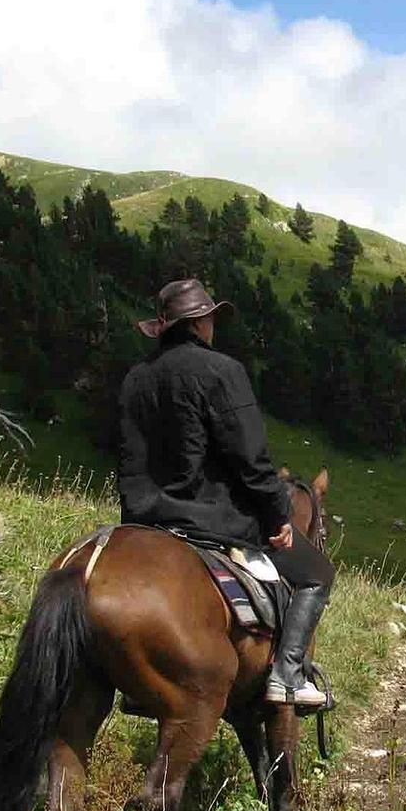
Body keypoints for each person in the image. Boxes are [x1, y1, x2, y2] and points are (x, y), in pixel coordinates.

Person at [117, 278, 332, 707]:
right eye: (211, 318)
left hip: (142, 521)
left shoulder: (136, 378)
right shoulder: (222, 371)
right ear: (201, 323)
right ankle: (287, 676)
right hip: (210, 519)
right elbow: (251, 459)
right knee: (317, 575)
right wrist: (277, 518)